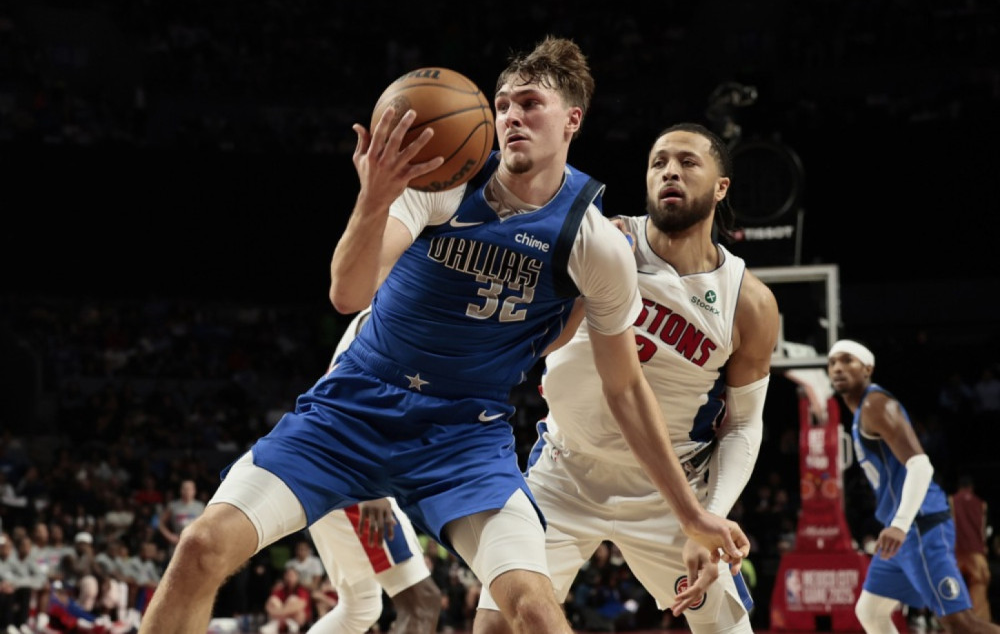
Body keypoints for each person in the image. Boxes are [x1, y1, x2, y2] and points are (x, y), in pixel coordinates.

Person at [137, 35, 748, 634]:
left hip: (463, 435)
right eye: (502, 104)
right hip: (352, 410)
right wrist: (374, 198)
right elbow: (348, 294)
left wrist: (691, 513)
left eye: (530, 103)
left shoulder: (596, 245)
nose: (511, 116)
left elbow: (625, 389)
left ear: (572, 120)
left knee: (533, 611)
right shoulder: (443, 183)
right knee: (201, 547)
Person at [473, 122, 780, 634]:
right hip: (564, 471)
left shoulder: (749, 302)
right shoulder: (603, 240)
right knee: (496, 626)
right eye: (659, 162)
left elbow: (744, 425)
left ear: (721, 187)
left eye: (687, 162)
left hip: (670, 490)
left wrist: (709, 515)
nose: (670, 172)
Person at [828, 339, 1000, 634]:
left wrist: (900, 524)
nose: (838, 368)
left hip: (918, 525)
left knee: (960, 624)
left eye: (847, 360)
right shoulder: (860, 413)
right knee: (870, 611)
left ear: (868, 368)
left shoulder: (876, 404)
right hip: (900, 533)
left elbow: (921, 465)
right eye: (832, 363)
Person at [304, 308, 442, 634]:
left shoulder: (395, 314)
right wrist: (369, 487)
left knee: (361, 606)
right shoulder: (399, 314)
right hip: (351, 470)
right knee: (422, 603)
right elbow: (348, 393)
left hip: (329, 463)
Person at [951, 475, 993, 622]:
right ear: (971, 488)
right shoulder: (981, 504)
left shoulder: (952, 501)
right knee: (979, 584)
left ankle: (953, 620)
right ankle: (978, 621)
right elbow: (984, 531)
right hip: (976, 551)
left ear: (959, 487)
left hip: (955, 551)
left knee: (951, 586)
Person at [155, 479, 204, 558]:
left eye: (190, 489)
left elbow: (206, 526)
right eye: (185, 489)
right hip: (177, 543)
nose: (187, 491)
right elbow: (160, 523)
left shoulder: (200, 507)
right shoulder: (173, 506)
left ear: (194, 491)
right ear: (181, 490)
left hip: (194, 544)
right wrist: (170, 536)